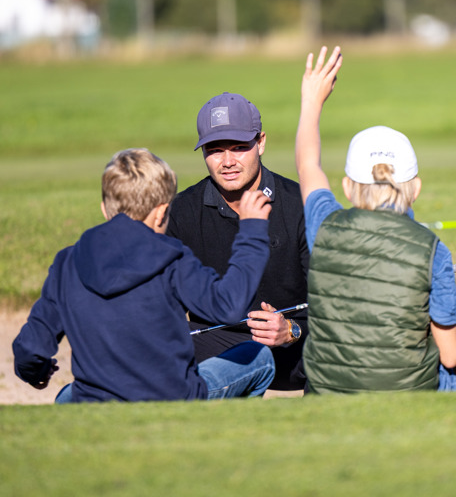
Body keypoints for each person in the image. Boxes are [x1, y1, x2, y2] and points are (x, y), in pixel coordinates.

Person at [286, 45, 456, 393]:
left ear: (348, 187)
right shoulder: (432, 249)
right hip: (408, 397)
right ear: (416, 188)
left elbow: (308, 164)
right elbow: (450, 355)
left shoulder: (324, 226)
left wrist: (311, 101)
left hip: (328, 395)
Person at [12, 148, 276, 403]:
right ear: (162, 213)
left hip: (97, 399)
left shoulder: (67, 262)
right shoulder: (173, 258)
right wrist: (251, 231)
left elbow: (29, 349)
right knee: (259, 357)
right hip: (174, 397)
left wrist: (36, 372)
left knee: (67, 396)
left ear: (105, 209)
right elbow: (228, 306)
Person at [167, 92, 309, 391]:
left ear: (261, 143)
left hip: (295, 345)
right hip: (217, 345)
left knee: (341, 351)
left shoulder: (301, 204)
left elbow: (333, 302)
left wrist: (292, 330)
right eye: (215, 150)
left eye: (239, 148)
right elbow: (160, 304)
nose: (228, 161)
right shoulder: (181, 211)